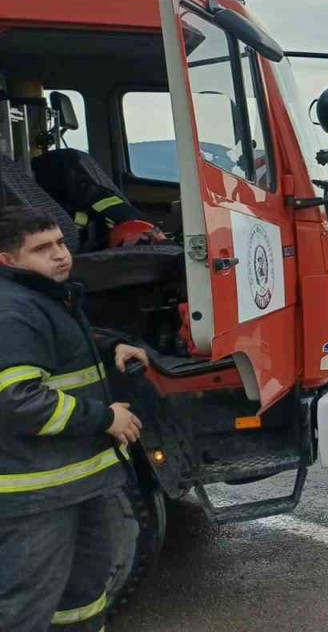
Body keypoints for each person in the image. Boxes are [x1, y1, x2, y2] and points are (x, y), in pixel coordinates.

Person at [0, 206, 149, 632]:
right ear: (7, 261)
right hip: (36, 495)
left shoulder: (45, 297)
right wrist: (105, 418)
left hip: (71, 483)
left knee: (82, 598)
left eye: (61, 243)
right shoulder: (12, 311)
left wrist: (112, 345)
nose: (60, 255)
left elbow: (61, 349)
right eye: (42, 249)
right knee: (25, 608)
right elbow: (19, 401)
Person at [9, 80, 162, 251]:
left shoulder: (61, 162)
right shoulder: (59, 164)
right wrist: (139, 225)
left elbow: (95, 200)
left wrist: (138, 224)